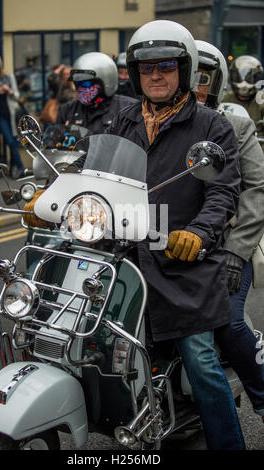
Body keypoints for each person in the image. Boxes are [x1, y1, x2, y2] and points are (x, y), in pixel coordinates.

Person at [105, 20, 245, 450]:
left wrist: (199, 234)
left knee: (200, 360)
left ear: (183, 71)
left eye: (166, 66)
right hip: (128, 259)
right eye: (146, 68)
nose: (156, 75)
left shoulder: (211, 126)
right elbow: (99, 178)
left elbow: (223, 191)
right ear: (134, 73)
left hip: (184, 264)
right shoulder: (122, 120)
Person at [194, 40, 264, 420]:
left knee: (230, 323)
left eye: (203, 78)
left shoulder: (236, 125)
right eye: (190, 76)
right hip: (171, 246)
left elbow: (258, 187)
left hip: (229, 244)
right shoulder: (154, 123)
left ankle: (263, 397)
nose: (195, 86)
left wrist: (237, 252)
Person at [56, 52, 138, 134]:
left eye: (86, 84)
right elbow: (55, 140)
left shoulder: (127, 109)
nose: (81, 88)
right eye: (77, 84)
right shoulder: (69, 109)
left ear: (106, 81)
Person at [0, 54, 24, 179]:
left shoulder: (9, 77)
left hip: (9, 116)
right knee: (2, 142)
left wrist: (8, 90)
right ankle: (15, 167)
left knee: (11, 141)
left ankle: (18, 167)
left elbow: (16, 96)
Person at [222, 55, 264, 149]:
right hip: (230, 146)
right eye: (238, 78)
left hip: (258, 148)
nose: (244, 84)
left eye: (250, 78)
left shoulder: (261, 100)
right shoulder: (225, 98)